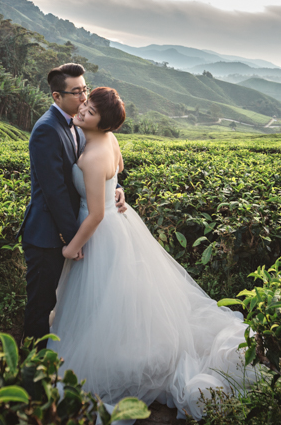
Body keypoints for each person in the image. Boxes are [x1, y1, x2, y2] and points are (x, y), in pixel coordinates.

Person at [48, 87, 259, 420]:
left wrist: (71, 246)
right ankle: (125, 349)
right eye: (85, 105)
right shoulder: (109, 142)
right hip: (119, 224)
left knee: (102, 300)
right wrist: (116, 190)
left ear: (104, 125)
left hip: (100, 230)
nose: (83, 111)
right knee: (117, 298)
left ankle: (114, 360)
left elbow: (96, 213)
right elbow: (113, 178)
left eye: (90, 111)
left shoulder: (91, 155)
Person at [20, 64, 126, 349]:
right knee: (42, 304)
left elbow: (106, 168)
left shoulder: (79, 125)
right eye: (77, 92)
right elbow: (54, 191)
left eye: (85, 90)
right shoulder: (46, 130)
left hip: (75, 229)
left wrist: (115, 188)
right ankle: (32, 366)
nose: (83, 99)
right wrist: (72, 238)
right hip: (47, 233)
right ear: (57, 96)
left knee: (74, 300)